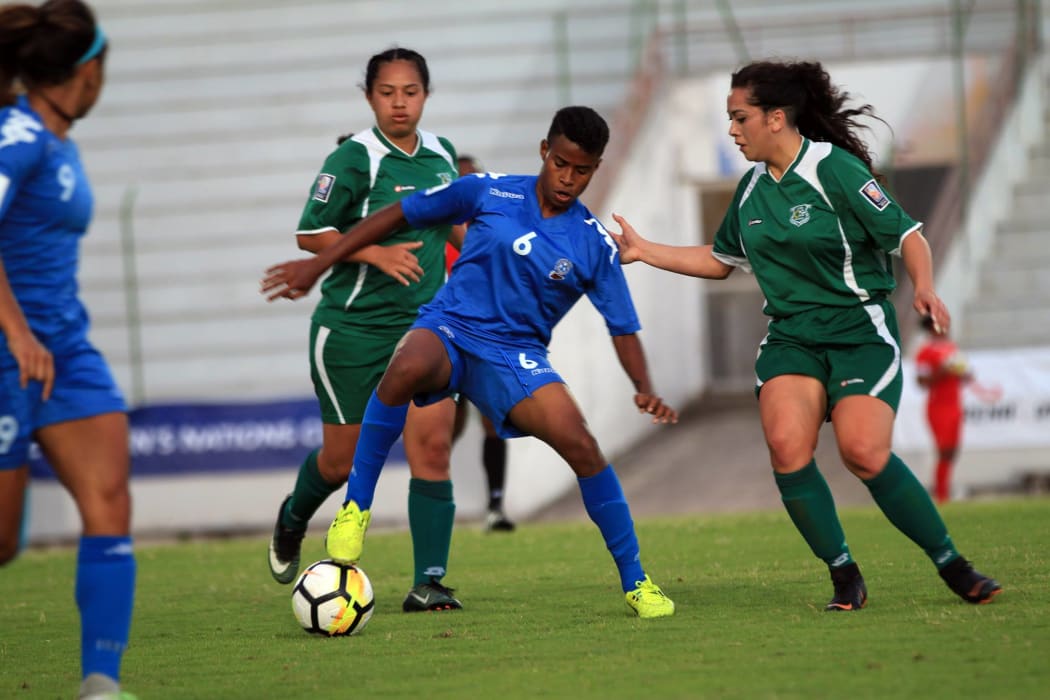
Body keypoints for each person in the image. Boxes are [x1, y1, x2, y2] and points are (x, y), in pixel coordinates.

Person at [608, 60, 1001, 610]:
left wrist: (924, 287)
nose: (731, 129)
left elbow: (906, 233)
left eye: (739, 117)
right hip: (793, 338)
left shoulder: (833, 169)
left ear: (776, 117)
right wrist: (645, 250)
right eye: (729, 117)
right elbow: (720, 260)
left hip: (858, 329)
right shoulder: (748, 191)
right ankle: (844, 575)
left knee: (863, 451)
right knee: (787, 447)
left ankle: (953, 565)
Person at [263, 105, 679, 619]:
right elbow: (399, 213)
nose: (569, 178)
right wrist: (318, 265)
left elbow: (622, 326)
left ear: (595, 168)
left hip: (515, 356)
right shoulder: (489, 189)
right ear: (544, 151)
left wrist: (643, 385)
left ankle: (637, 582)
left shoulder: (593, 243)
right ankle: (356, 509)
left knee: (582, 444)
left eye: (583, 169)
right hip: (450, 328)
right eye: (562, 163)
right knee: (406, 367)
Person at [266, 47, 465, 613]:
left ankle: (430, 581)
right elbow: (310, 235)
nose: (399, 103)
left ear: (426, 94)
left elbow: (452, 227)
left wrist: (481, 262)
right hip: (352, 330)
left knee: (432, 447)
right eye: (387, 92)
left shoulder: (443, 155)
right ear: (369, 96)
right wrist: (375, 254)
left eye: (410, 92)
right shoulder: (356, 157)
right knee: (340, 462)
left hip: (426, 328)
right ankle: (294, 515)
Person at [0, 2, 137, 698]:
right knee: (2, 543)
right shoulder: (16, 136)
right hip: (8, 354)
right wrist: (17, 332)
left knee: (109, 498)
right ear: (86, 71)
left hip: (65, 354)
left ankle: (101, 686)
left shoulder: (56, 140)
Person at [447, 153, 514, 533]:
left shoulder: (494, 230)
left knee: (493, 421)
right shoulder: (441, 232)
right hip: (448, 340)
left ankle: (495, 507)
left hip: (485, 338)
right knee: (446, 428)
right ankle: (431, 498)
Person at [915, 315, 972, 503]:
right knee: (944, 449)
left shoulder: (951, 348)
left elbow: (963, 376)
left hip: (955, 405)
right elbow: (922, 381)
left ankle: (944, 490)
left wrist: (963, 373)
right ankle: (942, 495)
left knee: (952, 451)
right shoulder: (925, 352)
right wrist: (942, 371)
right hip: (938, 407)